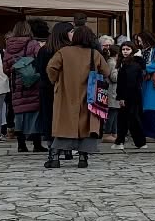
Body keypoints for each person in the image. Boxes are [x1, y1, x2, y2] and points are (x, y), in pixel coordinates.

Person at [43, 23, 109, 169]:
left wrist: (56, 81)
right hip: (88, 95)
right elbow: (106, 71)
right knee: (85, 126)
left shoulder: (63, 52)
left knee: (63, 125)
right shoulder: (94, 54)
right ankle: (83, 158)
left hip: (66, 94)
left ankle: (55, 157)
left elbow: (51, 67)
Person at [4, 20, 45, 153]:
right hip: (32, 81)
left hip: (16, 83)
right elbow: (41, 60)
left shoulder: (9, 45)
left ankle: (21, 144)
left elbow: (5, 68)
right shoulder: (33, 44)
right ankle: (36, 143)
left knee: (20, 112)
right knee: (34, 111)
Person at [36, 22, 72, 154]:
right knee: (60, 116)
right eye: (71, 31)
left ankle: (54, 145)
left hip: (48, 87)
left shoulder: (44, 50)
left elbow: (39, 69)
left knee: (51, 116)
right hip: (58, 88)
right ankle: (62, 146)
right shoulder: (64, 51)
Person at [113, 40, 147, 150]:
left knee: (131, 119)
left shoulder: (131, 64)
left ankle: (138, 142)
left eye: (127, 49)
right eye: (123, 49)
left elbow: (128, 83)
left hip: (131, 96)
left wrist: (122, 97)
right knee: (126, 119)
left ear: (132, 50)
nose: (125, 51)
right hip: (131, 95)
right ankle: (123, 141)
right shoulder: (125, 63)